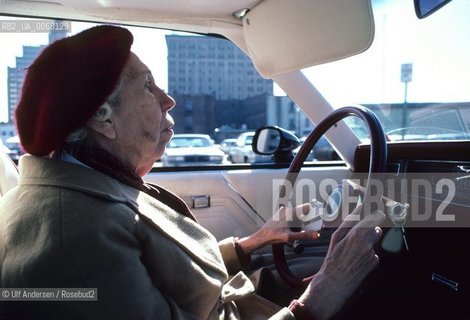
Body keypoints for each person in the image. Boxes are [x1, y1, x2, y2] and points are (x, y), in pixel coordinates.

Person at [0, 25, 384, 320]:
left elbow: (156, 274)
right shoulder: (76, 247)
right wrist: (320, 298)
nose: (168, 99)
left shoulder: (90, 187)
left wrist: (250, 244)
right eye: (147, 86)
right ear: (103, 119)